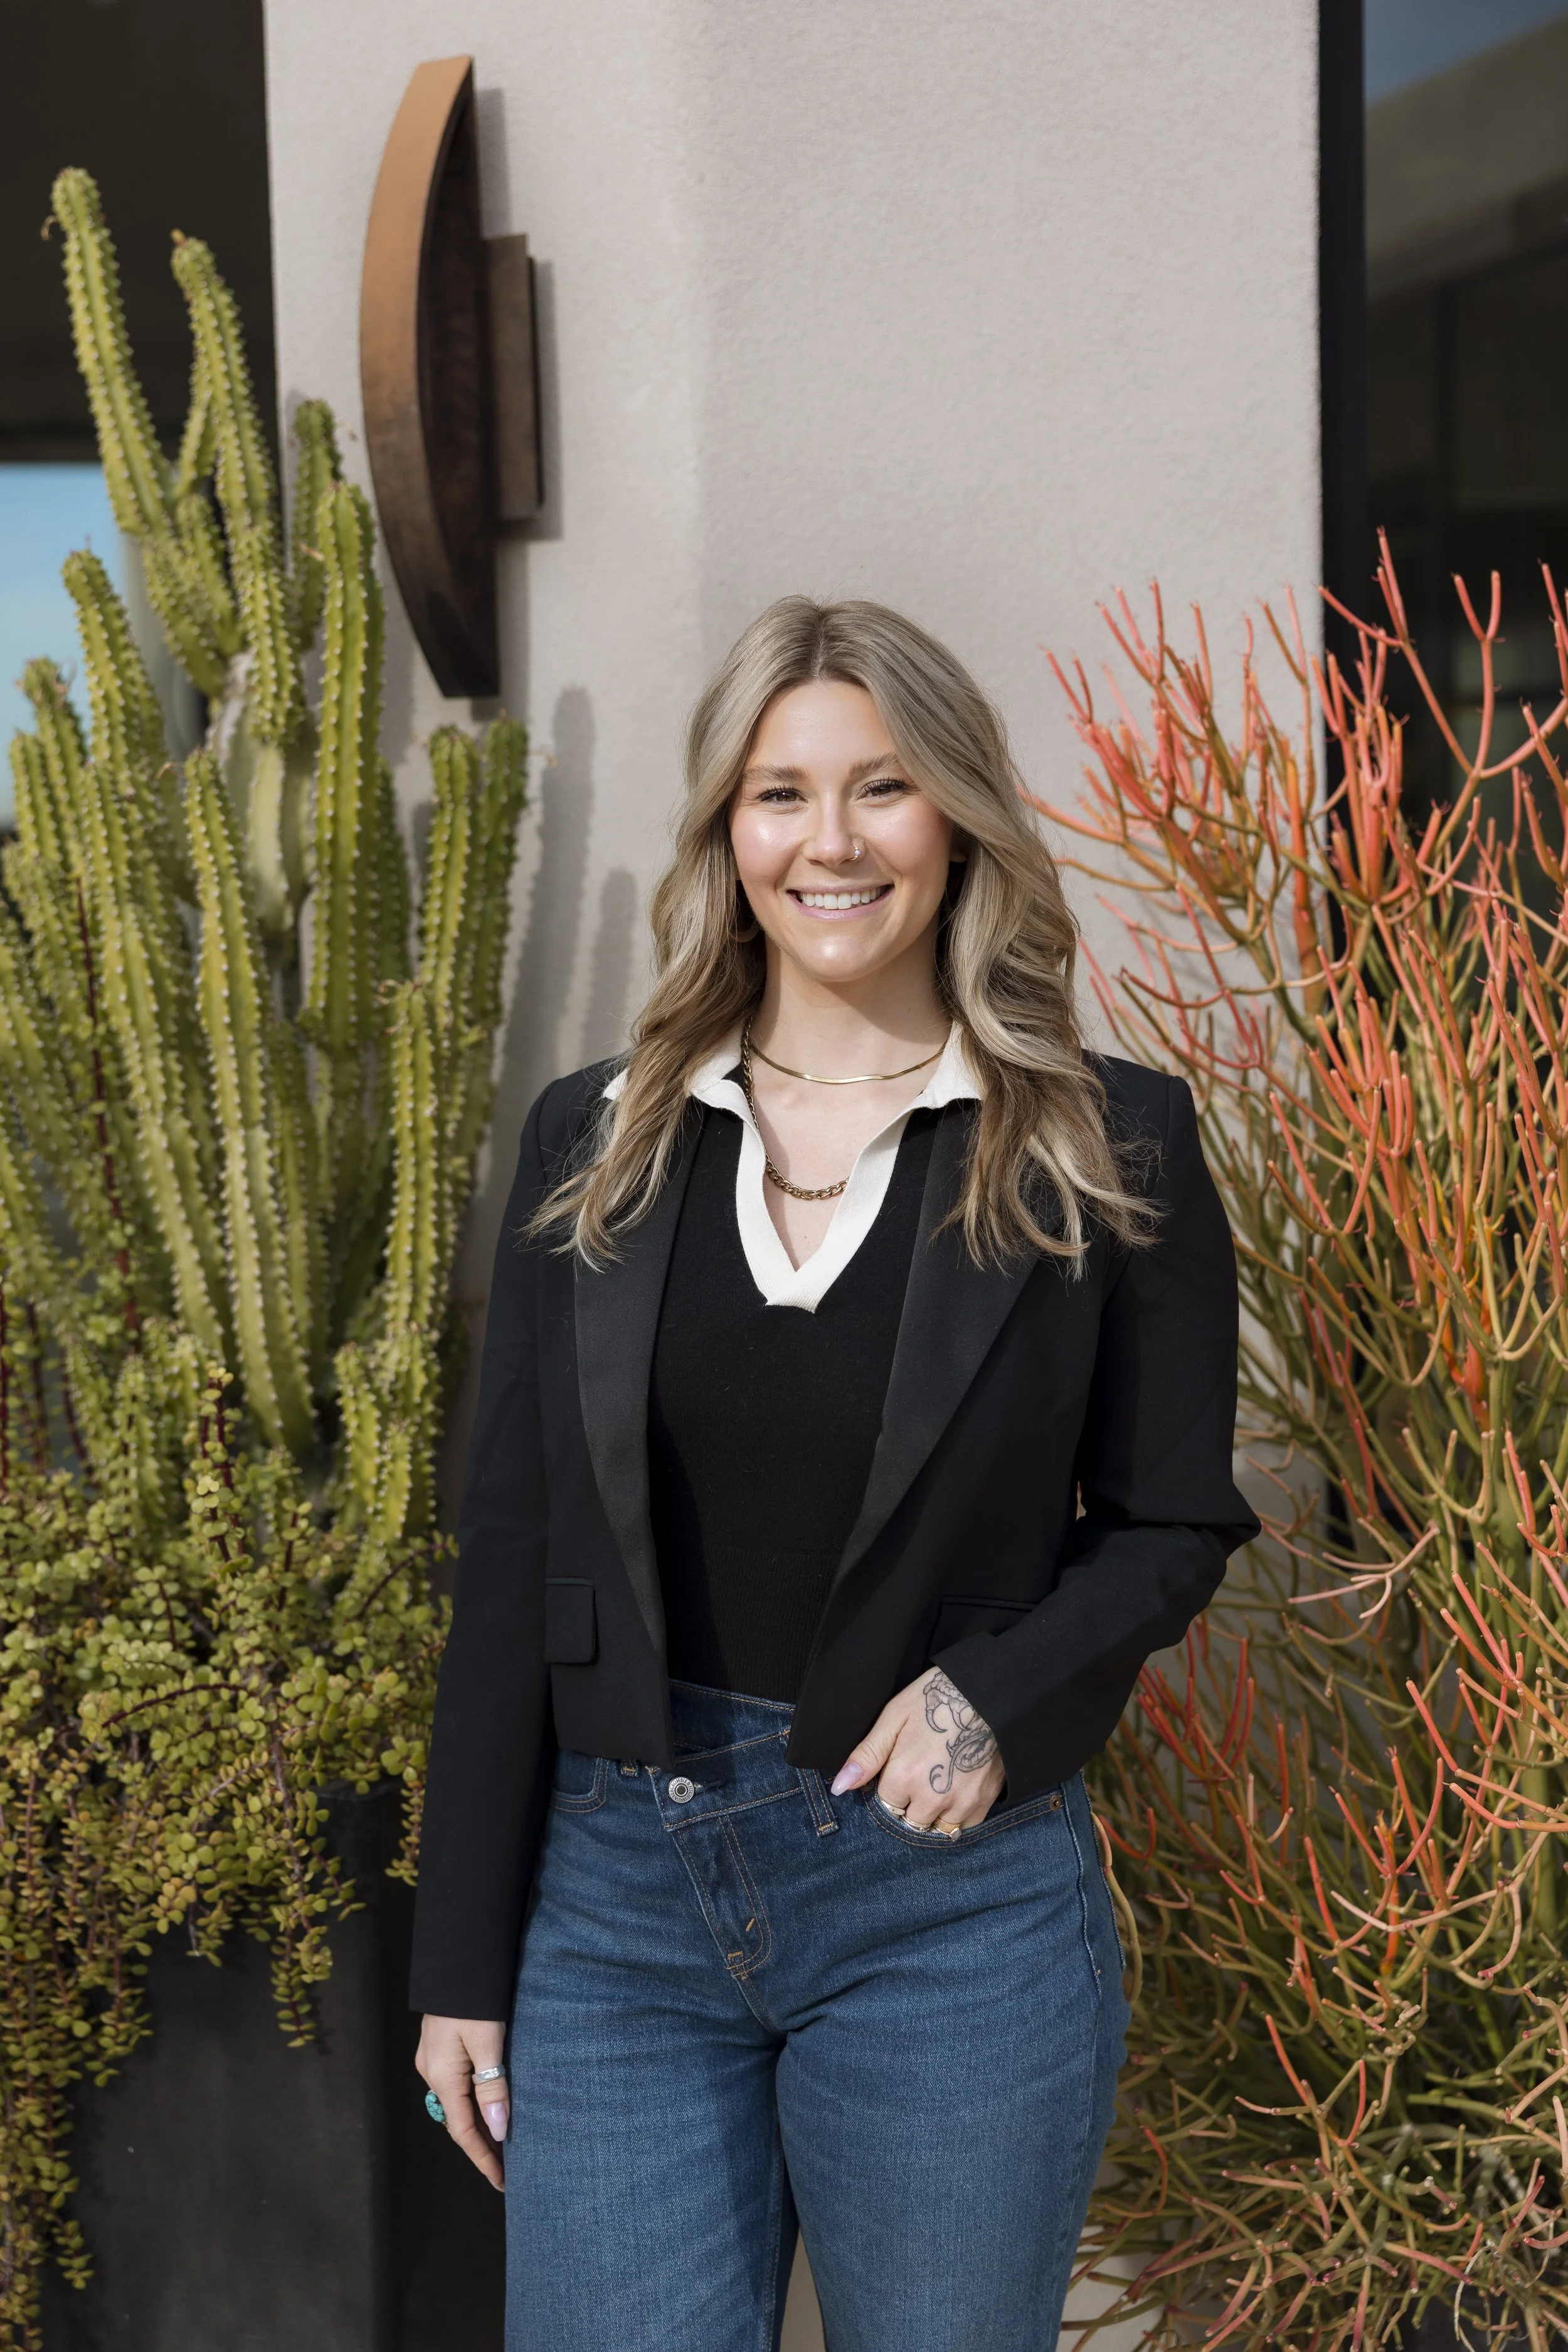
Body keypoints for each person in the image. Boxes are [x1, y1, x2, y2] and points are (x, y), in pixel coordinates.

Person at [411, 598, 1257, 2352]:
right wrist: (457, 1967)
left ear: (955, 815)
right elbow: (511, 1561)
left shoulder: (1111, 1144)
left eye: (881, 786)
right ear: (726, 830)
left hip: (946, 1909)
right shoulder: (598, 1135)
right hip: (615, 1906)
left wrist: (995, 1695)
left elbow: (1175, 1519)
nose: (831, 839)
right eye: (779, 792)